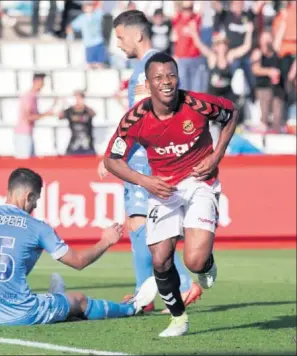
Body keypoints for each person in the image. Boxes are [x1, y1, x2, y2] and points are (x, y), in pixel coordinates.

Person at [104, 52, 239, 337]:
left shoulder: (197, 104)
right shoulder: (136, 118)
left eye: (171, 75)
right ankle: (179, 318)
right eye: (159, 77)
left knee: (194, 262)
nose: (166, 82)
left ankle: (206, 264)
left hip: (200, 182)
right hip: (162, 188)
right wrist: (145, 182)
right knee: (160, 259)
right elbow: (112, 160)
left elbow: (231, 113)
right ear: (148, 83)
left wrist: (216, 156)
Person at [98, 9, 202, 314]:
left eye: (120, 37)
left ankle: (182, 285)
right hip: (143, 157)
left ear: (137, 35)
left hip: (143, 159)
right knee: (136, 224)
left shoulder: (149, 68)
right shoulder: (155, 65)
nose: (118, 44)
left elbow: (144, 115)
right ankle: (144, 292)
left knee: (143, 226)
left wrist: (116, 152)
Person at [0, 167, 158, 325]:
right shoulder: (36, 227)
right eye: (36, 200)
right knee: (79, 300)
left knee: (31, 289)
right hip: (18, 314)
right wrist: (106, 240)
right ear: (28, 195)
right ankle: (132, 307)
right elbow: (78, 262)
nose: (35, 206)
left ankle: (55, 300)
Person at [14, 72, 57, 159]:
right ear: (36, 82)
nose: (43, 85)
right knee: (25, 163)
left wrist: (52, 107)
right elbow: (27, 117)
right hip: (23, 134)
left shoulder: (32, 96)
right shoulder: (28, 97)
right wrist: (47, 114)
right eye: (42, 82)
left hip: (27, 133)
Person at [59, 90, 96, 155]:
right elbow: (60, 116)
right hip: (73, 145)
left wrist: (84, 106)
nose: (78, 100)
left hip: (88, 145)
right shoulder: (70, 110)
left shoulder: (87, 110)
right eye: (76, 98)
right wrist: (63, 105)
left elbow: (93, 114)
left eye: (80, 98)